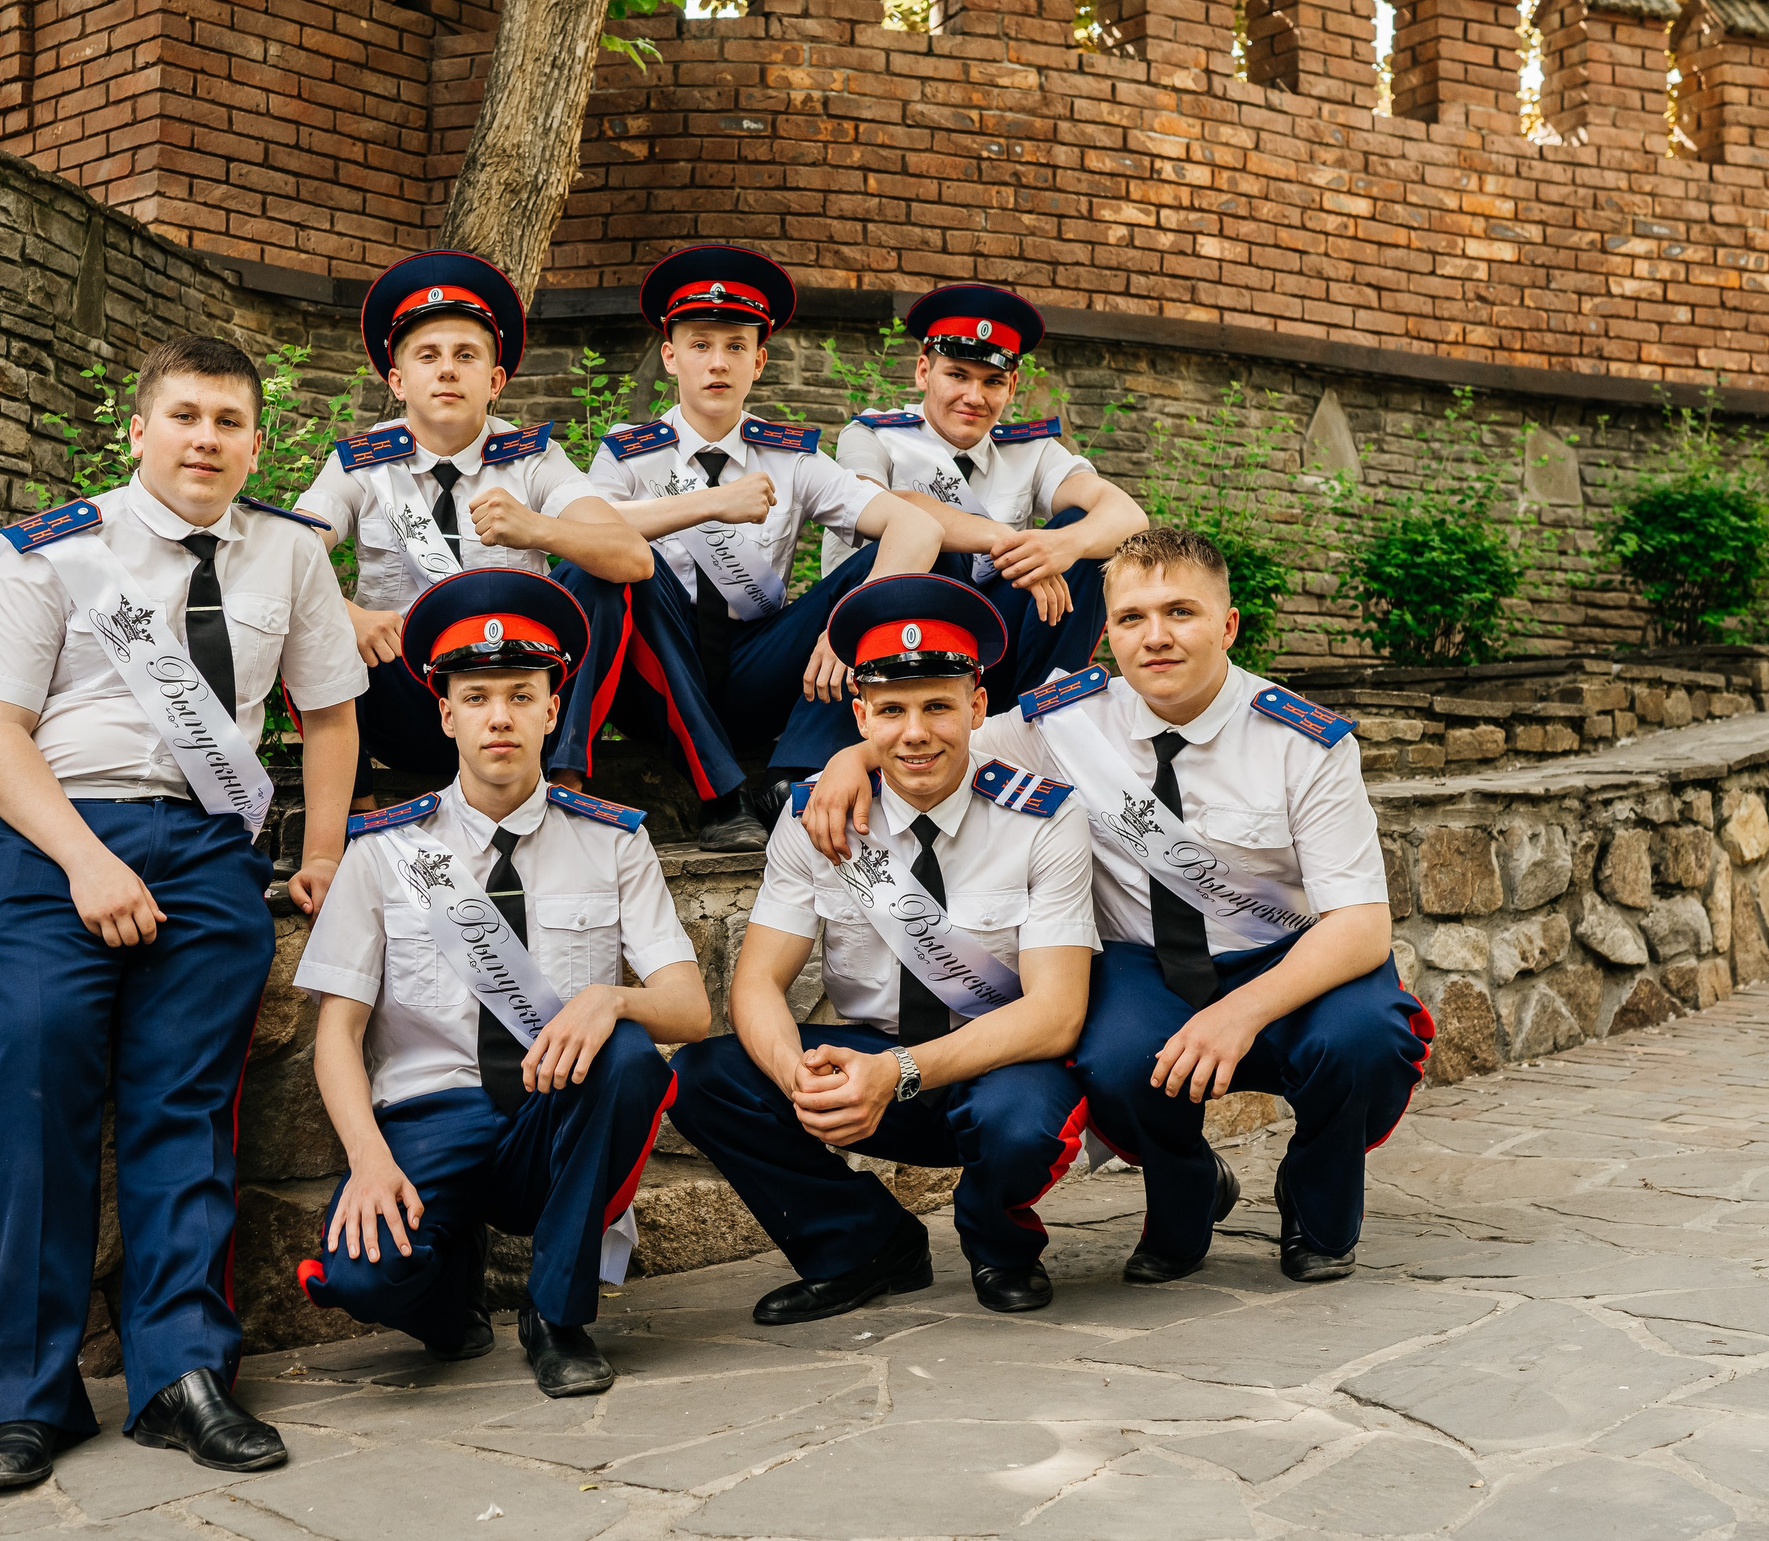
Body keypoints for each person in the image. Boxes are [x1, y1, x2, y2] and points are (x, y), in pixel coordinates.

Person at [0, 336, 367, 1491]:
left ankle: (184, 1376)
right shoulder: (50, 550)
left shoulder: (289, 552)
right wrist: (86, 862)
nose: (205, 440)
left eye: (229, 422)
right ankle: (26, 1401)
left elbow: (327, 716)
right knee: (34, 1085)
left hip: (202, 847)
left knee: (188, 1106)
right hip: (43, 841)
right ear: (139, 431)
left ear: (253, 441)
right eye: (184, 417)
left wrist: (322, 855)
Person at [799, 527, 1433, 1288]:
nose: (1155, 637)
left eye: (1181, 613)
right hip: (1148, 963)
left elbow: (1361, 926)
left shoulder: (1303, 741)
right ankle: (1187, 1185)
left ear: (1227, 625)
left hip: (1291, 958)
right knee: (1110, 1058)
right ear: (1109, 633)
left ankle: (1315, 1194)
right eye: (1132, 618)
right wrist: (850, 758)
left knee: (1366, 1039)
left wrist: (1239, 1013)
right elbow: (940, 727)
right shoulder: (1067, 719)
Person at [293, 568, 710, 1397]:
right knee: (362, 1281)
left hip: (548, 1116)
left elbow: (691, 1008)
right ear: (444, 713)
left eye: (521, 694)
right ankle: (449, 1295)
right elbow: (336, 1035)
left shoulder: (612, 842)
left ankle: (558, 1315)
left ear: (553, 708)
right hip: (429, 1119)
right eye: (477, 696)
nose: (499, 717)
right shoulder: (384, 850)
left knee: (628, 1052)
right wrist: (369, 1159)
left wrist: (615, 997)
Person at [668, 574, 1098, 1323]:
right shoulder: (816, 819)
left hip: (990, 1066)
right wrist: (795, 1075)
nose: (915, 732)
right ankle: (862, 1247)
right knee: (709, 1074)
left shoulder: (1044, 820)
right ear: (860, 714)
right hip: (869, 1059)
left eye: (938, 705)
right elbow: (758, 986)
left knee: (1021, 1117)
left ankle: (998, 1243)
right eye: (892, 710)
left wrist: (893, 1073)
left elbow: (1057, 1015)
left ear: (977, 706)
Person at [550, 245, 946, 852]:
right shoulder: (629, 451)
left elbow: (918, 529)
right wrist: (710, 504)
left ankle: (790, 778)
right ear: (671, 355)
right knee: (622, 561)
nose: (718, 362)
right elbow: (592, 530)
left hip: (757, 670)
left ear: (758, 361)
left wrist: (848, 626)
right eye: (701, 344)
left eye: (736, 346)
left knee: (891, 570)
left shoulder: (791, 456)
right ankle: (716, 796)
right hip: (654, 680)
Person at [293, 250, 654, 797]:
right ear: (397, 379)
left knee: (603, 581)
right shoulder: (361, 463)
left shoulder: (532, 457)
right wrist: (346, 614)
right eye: (427, 355)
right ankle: (356, 804)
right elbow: (285, 549)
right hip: (408, 698)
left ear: (495, 379)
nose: (446, 370)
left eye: (466, 355)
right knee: (300, 615)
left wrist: (537, 529)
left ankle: (566, 779)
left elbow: (633, 557)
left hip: (516, 699)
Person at [826, 284, 1146, 706]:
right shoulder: (874, 437)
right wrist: (1005, 538)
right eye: (957, 375)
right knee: (934, 540)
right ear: (924, 371)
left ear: (1011, 387)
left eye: (992, 382)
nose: (974, 398)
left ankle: (1046, 713)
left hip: (994, 641)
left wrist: (1062, 546)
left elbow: (1129, 517)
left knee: (1085, 538)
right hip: (893, 642)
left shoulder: (1029, 450)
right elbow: (878, 506)